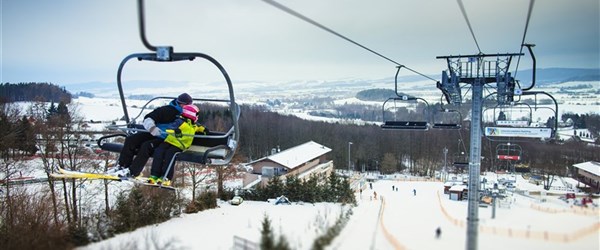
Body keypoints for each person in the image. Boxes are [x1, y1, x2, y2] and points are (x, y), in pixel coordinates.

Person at [107, 93, 193, 178]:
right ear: (178, 103)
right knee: (131, 140)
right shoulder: (168, 110)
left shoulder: (189, 115)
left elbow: (194, 127)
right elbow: (149, 117)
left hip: (168, 139)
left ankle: (133, 171)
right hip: (156, 133)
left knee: (147, 146)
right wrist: (152, 128)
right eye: (183, 105)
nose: (184, 107)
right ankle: (122, 166)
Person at [148, 104, 208, 186]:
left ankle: (166, 177)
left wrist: (204, 130)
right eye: (197, 115)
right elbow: (169, 129)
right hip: (169, 141)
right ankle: (154, 175)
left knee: (170, 154)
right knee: (159, 151)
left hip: (179, 145)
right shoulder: (179, 122)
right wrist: (175, 131)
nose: (197, 117)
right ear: (191, 114)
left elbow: (199, 127)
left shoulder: (193, 125)